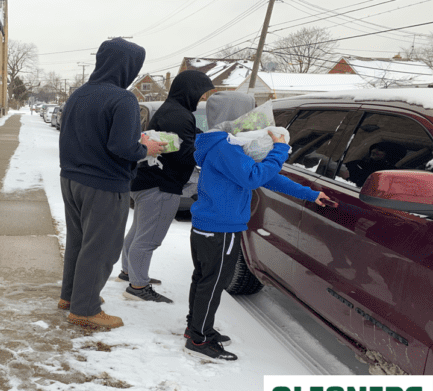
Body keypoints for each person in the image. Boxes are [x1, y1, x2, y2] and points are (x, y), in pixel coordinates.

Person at [184, 92, 333, 361]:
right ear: (237, 115)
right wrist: (280, 149)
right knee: (213, 282)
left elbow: (265, 177)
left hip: (213, 224)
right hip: (220, 227)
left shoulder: (228, 143)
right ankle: (199, 338)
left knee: (204, 279)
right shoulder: (225, 147)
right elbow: (255, 177)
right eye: (250, 112)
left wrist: (310, 194)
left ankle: (195, 327)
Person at [58, 37, 166, 330]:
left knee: (79, 242)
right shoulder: (123, 99)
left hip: (71, 178)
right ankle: (85, 309)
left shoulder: (79, 94)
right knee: (101, 248)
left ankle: (71, 296)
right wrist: (147, 149)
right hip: (104, 183)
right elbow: (122, 147)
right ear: (128, 67)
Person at [120, 70, 214, 303]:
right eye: (202, 93)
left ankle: (129, 272)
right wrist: (212, 151)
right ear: (190, 91)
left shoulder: (172, 109)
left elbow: (186, 138)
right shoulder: (179, 115)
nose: (203, 99)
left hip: (146, 180)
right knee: (149, 238)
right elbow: (184, 154)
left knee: (139, 230)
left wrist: (206, 138)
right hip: (161, 185)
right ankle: (138, 286)